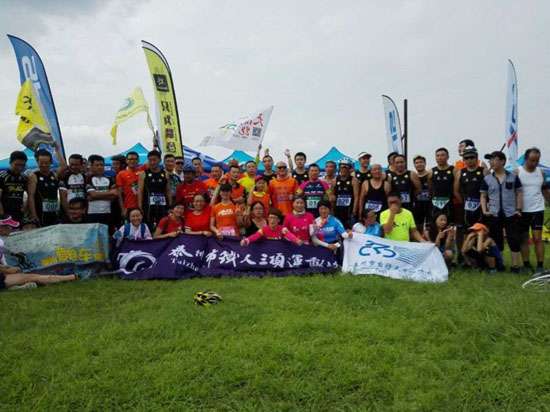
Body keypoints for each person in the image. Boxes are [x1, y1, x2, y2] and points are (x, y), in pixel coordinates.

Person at [480, 151, 523, 272]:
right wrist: (485, 210)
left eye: (494, 159)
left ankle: (515, 266)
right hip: (494, 214)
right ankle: (500, 264)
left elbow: (519, 193)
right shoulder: (487, 179)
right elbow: (483, 196)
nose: (491, 162)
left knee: (513, 240)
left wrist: (518, 209)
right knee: (497, 240)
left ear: (503, 161)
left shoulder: (513, 176)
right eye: (490, 160)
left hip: (511, 213)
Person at [517, 147, 549, 271]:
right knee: (524, 238)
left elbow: (545, 190)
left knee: (537, 239)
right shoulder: (517, 172)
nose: (534, 163)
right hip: (522, 210)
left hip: (537, 209)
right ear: (525, 159)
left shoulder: (541, 172)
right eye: (532, 160)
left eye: (537, 160)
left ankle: (540, 266)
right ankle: (526, 264)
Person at [454, 146, 486, 230]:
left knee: (481, 230)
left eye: (472, 157)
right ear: (463, 159)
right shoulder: (460, 172)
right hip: (466, 206)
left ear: (476, 158)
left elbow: (491, 189)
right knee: (466, 229)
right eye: (466, 158)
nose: (469, 160)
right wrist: (463, 201)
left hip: (481, 206)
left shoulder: (484, 171)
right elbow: (455, 191)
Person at [138, 150, 171, 228]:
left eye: (154, 160)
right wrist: (140, 206)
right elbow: (140, 191)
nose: (152, 162)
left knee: (162, 226)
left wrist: (170, 206)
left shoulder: (165, 174)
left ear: (159, 160)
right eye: (150, 160)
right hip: (148, 206)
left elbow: (168, 191)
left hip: (162, 206)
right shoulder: (143, 174)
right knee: (148, 226)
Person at [28, 149, 60, 227]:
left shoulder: (54, 175)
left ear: (51, 162)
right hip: (40, 214)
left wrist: (57, 150)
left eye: (46, 163)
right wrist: (34, 215)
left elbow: (64, 166)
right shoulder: (34, 176)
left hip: (54, 213)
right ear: (37, 162)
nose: (44, 165)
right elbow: (31, 196)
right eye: (41, 163)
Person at [86, 154, 118, 230]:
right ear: (91, 166)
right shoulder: (88, 179)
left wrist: (94, 197)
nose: (100, 167)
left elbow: (114, 196)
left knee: (107, 235)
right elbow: (93, 194)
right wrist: (110, 193)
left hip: (107, 213)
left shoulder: (110, 179)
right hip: (93, 213)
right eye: (97, 165)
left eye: (101, 165)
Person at [0, 150, 28, 223]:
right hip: (4, 215)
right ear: (10, 162)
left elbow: (30, 195)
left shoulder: (24, 178)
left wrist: (25, 206)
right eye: (17, 165)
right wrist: (2, 215)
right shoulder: (2, 176)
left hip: (19, 215)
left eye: (22, 165)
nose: (19, 168)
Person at [430, 147, 456, 223]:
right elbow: (430, 187)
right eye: (437, 156)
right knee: (435, 224)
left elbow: (457, 189)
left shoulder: (454, 170)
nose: (440, 157)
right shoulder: (431, 171)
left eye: (442, 155)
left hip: (449, 203)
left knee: (449, 224)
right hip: (435, 203)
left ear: (447, 157)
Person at [333, 159, 360, 229]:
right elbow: (332, 195)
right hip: (338, 210)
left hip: (349, 211)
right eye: (341, 167)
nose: (343, 169)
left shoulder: (354, 180)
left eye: (345, 167)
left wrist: (354, 211)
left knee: (350, 230)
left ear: (349, 169)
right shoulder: (335, 180)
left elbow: (356, 197)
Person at [116, 151, 141, 220]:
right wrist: (123, 209)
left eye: (135, 159)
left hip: (141, 206)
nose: (132, 161)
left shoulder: (142, 172)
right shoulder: (121, 174)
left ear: (138, 160)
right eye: (130, 159)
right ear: (126, 161)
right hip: (128, 207)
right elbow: (119, 194)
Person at [412, 155, 432, 231]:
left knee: (429, 227)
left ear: (425, 163)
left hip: (429, 204)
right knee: (418, 226)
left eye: (421, 162)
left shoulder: (430, 175)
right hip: (417, 205)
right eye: (416, 163)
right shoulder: (412, 176)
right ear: (414, 165)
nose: (419, 164)